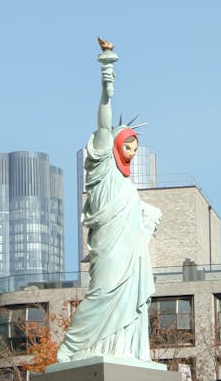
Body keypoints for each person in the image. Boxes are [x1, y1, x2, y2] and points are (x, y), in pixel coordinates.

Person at [56, 44, 162, 363]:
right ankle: (73, 348)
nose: (131, 150)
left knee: (129, 298)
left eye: (135, 146)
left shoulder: (129, 185)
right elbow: (104, 122)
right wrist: (107, 83)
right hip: (109, 247)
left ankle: (121, 350)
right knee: (102, 293)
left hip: (131, 251)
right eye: (127, 143)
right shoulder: (102, 165)